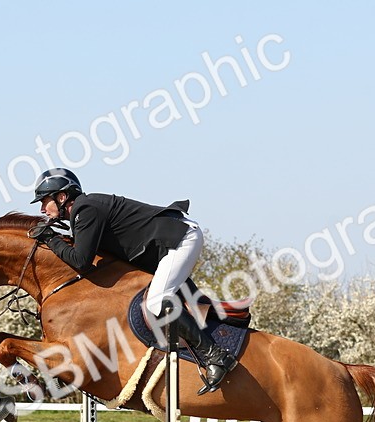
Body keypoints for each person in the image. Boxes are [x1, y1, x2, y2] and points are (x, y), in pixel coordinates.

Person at [30, 168, 237, 394]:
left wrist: (50, 239)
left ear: (61, 197)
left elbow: (80, 261)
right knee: (168, 300)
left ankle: (216, 357)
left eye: (44, 201)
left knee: (156, 301)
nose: (42, 209)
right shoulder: (84, 213)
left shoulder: (85, 209)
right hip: (168, 245)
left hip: (179, 240)